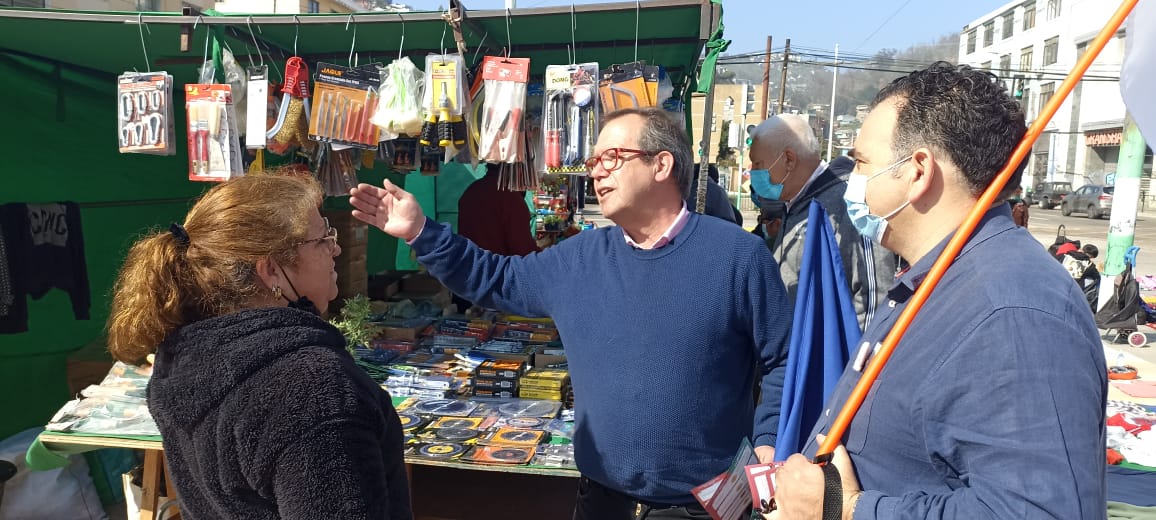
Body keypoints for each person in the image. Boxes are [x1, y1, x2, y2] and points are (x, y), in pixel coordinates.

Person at [350, 107, 791, 519]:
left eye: (614, 157)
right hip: (601, 499)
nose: (597, 169)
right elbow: (495, 277)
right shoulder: (580, 258)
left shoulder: (737, 256)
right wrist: (422, 233)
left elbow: (783, 359)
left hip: (703, 504)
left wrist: (771, 440)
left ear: (661, 165)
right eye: (595, 159)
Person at [771, 63, 1106, 519]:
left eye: (862, 163)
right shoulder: (935, 279)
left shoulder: (1010, 311)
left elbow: (1038, 511)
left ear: (918, 170)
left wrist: (846, 509)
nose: (852, 180)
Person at [106, 173, 412, 520]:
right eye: (323, 238)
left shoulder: (183, 355)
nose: (336, 248)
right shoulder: (312, 387)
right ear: (271, 270)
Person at [748, 114, 895, 330]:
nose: (753, 173)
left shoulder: (848, 204)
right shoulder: (794, 205)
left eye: (757, 164)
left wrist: (853, 360)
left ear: (788, 160)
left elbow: (874, 296)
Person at [455, 163, 541, 310]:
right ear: (518, 171)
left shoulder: (471, 191)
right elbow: (523, 251)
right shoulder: (510, 198)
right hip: (496, 287)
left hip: (465, 282)